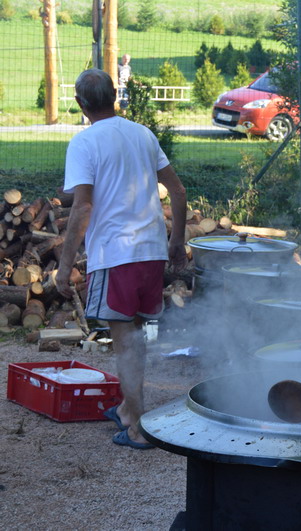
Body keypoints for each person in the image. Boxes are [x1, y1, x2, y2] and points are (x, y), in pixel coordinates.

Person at [56, 68, 187, 450]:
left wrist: (64, 266)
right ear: (114, 96)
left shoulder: (84, 143)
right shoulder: (143, 134)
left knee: (125, 338)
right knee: (133, 333)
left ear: (80, 103)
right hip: (151, 250)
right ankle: (129, 411)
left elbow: (83, 207)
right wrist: (176, 241)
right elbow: (177, 191)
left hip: (117, 254)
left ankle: (139, 428)